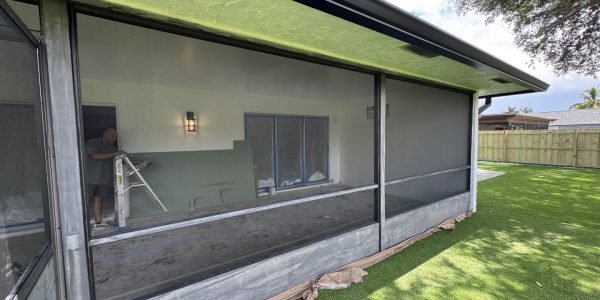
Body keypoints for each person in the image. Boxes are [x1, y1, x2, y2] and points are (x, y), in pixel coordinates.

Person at [85, 128, 124, 228]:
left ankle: (98, 223)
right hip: (89, 178)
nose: (114, 139)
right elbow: (94, 156)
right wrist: (115, 153)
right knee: (83, 201)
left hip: (104, 179)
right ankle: (79, 225)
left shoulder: (112, 148)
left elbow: (122, 161)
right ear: (105, 134)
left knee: (99, 199)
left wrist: (141, 162)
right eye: (112, 136)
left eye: (116, 137)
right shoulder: (93, 143)